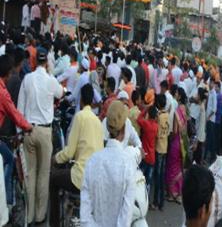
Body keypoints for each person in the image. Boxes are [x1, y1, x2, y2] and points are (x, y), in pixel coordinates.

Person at [18, 49, 64, 225]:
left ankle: (28, 216)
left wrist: (20, 132)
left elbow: (20, 108)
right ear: (47, 63)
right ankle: (39, 215)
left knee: (30, 174)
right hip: (45, 132)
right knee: (44, 175)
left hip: (28, 130)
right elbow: (61, 93)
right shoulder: (51, 80)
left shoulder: (27, 79)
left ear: (35, 61)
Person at [49, 84, 104, 226]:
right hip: (95, 178)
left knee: (53, 179)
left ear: (81, 100)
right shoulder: (98, 121)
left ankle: (54, 223)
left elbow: (69, 152)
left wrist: (54, 159)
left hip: (81, 177)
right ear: (92, 100)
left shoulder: (80, 116)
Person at [81, 101, 140, 226]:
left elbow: (85, 218)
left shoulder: (92, 162)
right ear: (124, 129)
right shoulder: (128, 165)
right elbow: (125, 218)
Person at [0, 54, 33, 208]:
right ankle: (5, 201)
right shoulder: (3, 93)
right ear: (7, 73)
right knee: (9, 160)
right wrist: (28, 126)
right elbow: (15, 114)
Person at [165, 87, 189, 203]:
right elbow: (186, 128)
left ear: (179, 96)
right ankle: (179, 194)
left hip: (176, 142)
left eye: (176, 94)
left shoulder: (177, 111)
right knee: (179, 167)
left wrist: (171, 138)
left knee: (171, 167)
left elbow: (175, 131)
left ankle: (171, 194)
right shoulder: (186, 110)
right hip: (184, 142)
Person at [153, 94, 170, 210]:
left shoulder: (158, 116)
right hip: (165, 147)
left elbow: (156, 133)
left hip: (158, 147)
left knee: (157, 176)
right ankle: (162, 203)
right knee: (162, 175)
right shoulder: (167, 115)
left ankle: (155, 201)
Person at [138, 105, 159, 194]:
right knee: (148, 181)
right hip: (152, 157)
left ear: (149, 114)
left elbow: (138, 119)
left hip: (144, 156)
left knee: (140, 179)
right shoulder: (156, 126)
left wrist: (145, 109)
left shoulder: (146, 124)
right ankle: (146, 197)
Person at [205, 79, 218, 163]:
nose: (210, 84)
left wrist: (208, 117)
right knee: (210, 138)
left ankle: (210, 156)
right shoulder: (210, 92)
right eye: (209, 82)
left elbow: (214, 109)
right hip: (208, 118)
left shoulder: (214, 93)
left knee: (210, 139)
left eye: (211, 83)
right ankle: (211, 156)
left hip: (211, 119)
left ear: (213, 84)